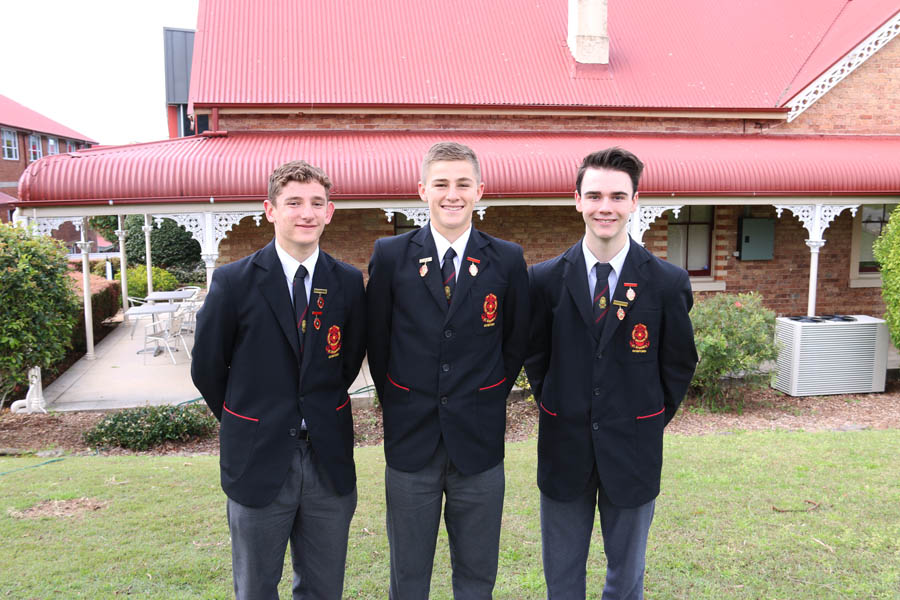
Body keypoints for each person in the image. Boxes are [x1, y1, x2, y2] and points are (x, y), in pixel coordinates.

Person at [525, 147, 698, 599]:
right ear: (577, 200)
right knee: (562, 577)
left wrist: (647, 417)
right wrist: (558, 403)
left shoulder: (667, 282)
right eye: (595, 195)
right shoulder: (543, 280)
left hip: (634, 449)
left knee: (627, 579)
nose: (606, 207)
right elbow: (536, 358)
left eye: (618, 196)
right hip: (563, 448)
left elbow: (678, 364)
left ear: (635, 201)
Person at [191, 160, 366, 600]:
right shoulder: (233, 282)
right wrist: (248, 419)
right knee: (255, 589)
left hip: (327, 461)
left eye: (317, 203)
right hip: (258, 459)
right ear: (270, 210)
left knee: (324, 588)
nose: (306, 213)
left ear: (329, 212)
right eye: (294, 203)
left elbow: (347, 363)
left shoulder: (347, 282)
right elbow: (207, 368)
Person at [367, 141, 530, 599]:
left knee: (477, 575)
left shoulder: (507, 258)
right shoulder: (391, 254)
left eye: (463, 183)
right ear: (423, 190)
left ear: (480, 190)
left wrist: (486, 394)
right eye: (441, 183)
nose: (452, 194)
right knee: (408, 576)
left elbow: (515, 342)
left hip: (478, 441)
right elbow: (378, 343)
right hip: (410, 441)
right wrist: (399, 399)